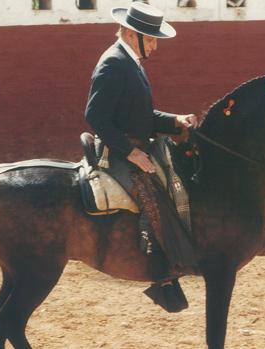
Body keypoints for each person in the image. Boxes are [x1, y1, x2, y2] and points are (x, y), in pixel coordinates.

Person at [84, 1, 198, 312]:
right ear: (133, 34)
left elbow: (140, 115)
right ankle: (162, 276)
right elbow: (95, 116)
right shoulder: (113, 63)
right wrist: (131, 152)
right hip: (119, 152)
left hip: (136, 145)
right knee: (153, 195)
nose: (156, 46)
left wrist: (174, 121)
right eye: (152, 39)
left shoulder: (129, 60)